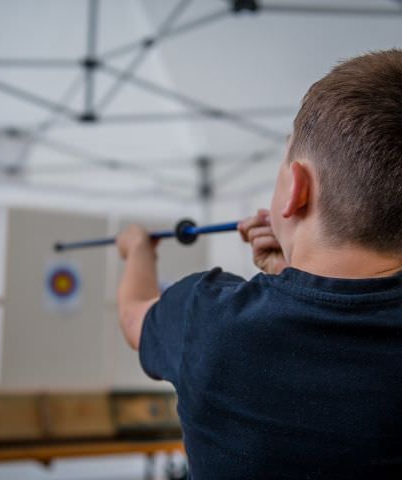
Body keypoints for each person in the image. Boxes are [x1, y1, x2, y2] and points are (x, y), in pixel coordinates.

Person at [116, 49, 402, 479]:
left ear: (296, 189)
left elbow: (133, 315)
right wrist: (290, 275)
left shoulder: (206, 315)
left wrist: (138, 250)